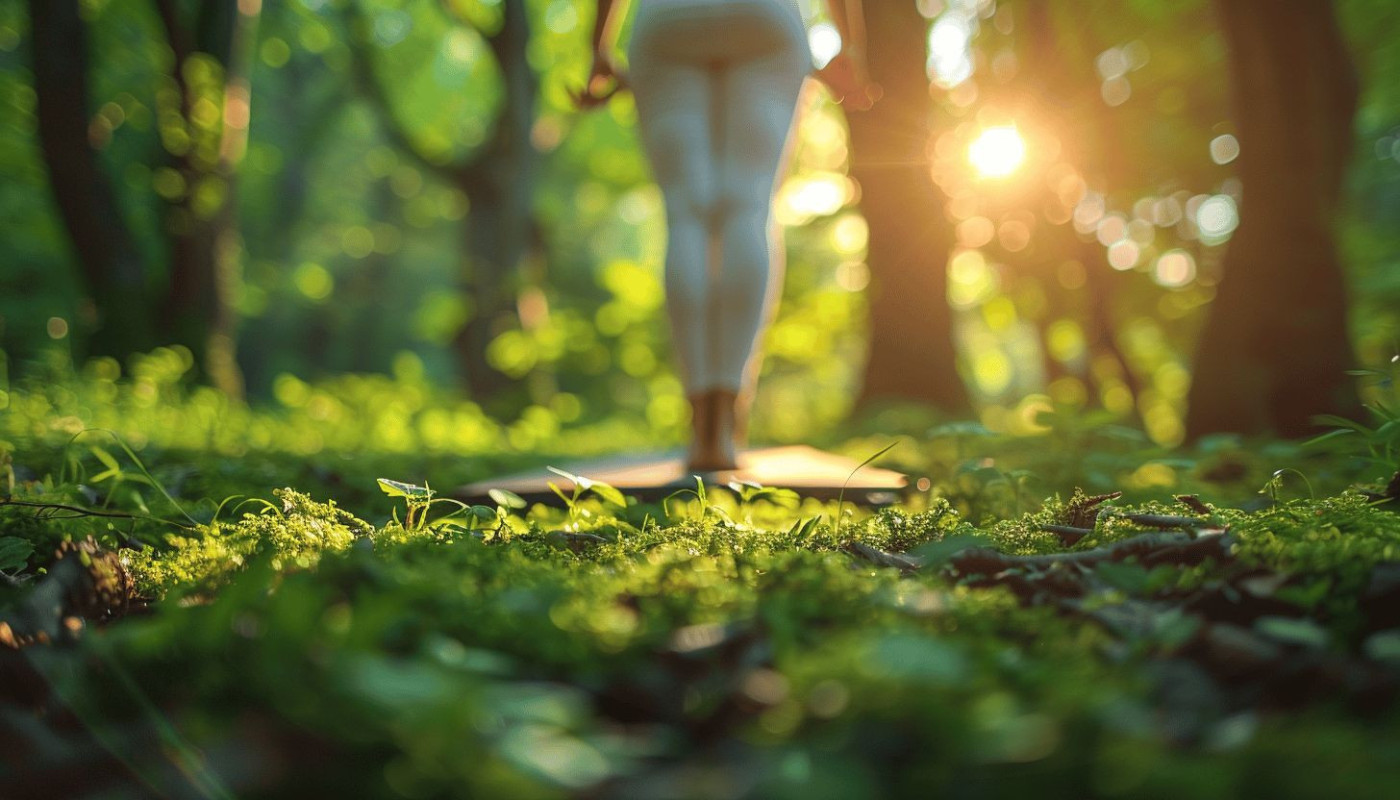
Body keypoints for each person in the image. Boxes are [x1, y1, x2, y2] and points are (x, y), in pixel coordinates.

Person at [577, 0, 875, 471]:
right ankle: (727, 423)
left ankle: (700, 425)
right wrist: (850, 45)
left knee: (687, 213)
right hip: (764, 16)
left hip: (668, 19)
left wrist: (598, 48)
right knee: (748, 207)